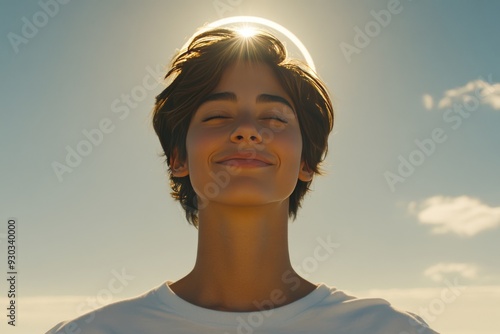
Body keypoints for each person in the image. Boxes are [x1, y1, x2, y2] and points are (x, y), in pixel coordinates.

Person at [46, 25, 439, 334]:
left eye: (275, 119)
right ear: (178, 157)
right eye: (217, 116)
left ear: (306, 161)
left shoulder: (386, 330)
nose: (248, 131)